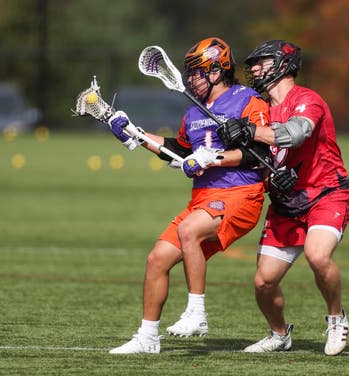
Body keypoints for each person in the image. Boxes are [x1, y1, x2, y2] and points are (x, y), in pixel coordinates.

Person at [108, 37, 271, 354]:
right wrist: (134, 133)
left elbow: (260, 153)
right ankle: (147, 338)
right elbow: (179, 152)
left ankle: (196, 312)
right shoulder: (193, 113)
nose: (190, 79)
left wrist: (213, 158)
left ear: (217, 70)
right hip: (203, 198)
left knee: (188, 230)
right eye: (190, 73)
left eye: (197, 72)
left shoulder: (248, 100)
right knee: (157, 259)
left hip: (241, 193)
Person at [217, 40, 349, 356]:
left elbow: (295, 134)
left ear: (283, 64)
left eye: (261, 62)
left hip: (325, 195)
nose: (253, 69)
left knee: (317, 256)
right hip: (285, 205)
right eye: (252, 63)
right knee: (264, 282)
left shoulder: (307, 99)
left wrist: (249, 131)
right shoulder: (260, 108)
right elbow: (259, 158)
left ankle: (336, 317)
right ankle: (279, 335)